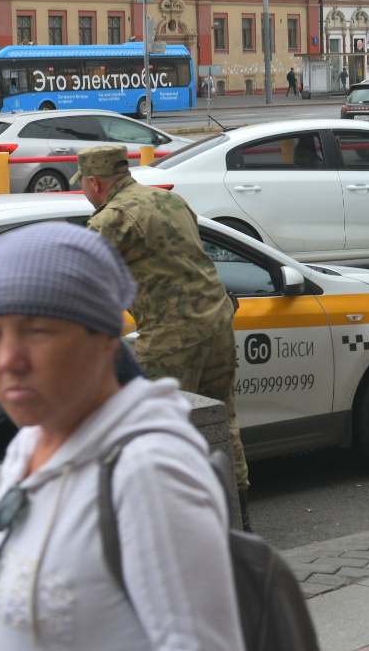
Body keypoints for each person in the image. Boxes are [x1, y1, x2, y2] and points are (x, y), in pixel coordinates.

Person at [0, 222, 247, 651]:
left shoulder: (147, 472)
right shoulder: (28, 444)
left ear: (104, 338)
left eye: (37, 331)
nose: (8, 358)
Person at [75, 145, 249, 493]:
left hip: (173, 339)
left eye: (83, 184)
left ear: (94, 182)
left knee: (162, 430)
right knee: (221, 420)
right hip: (217, 323)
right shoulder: (170, 200)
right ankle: (237, 510)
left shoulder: (113, 218)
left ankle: (176, 518)